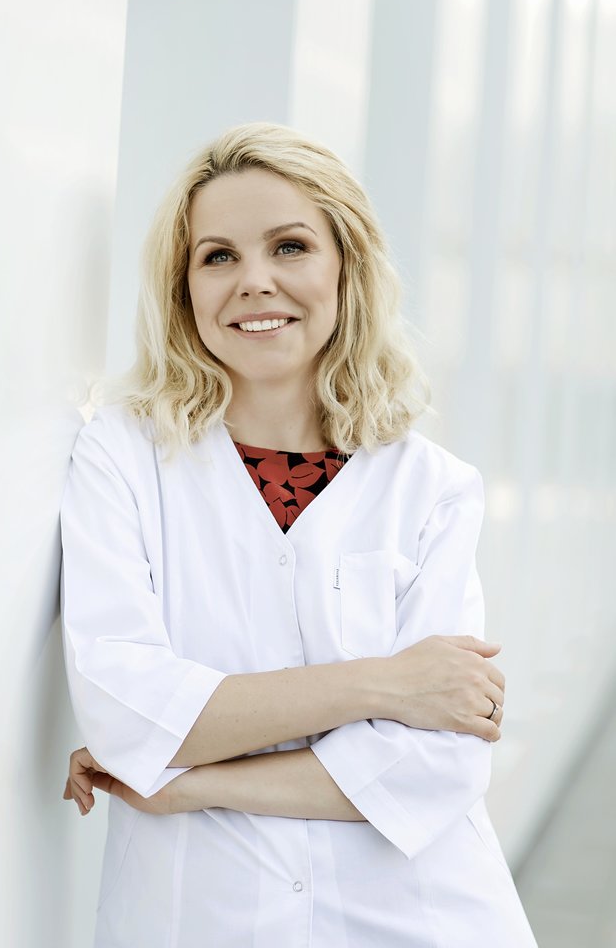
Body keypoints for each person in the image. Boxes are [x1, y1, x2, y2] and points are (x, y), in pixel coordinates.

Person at [60, 122, 538, 947]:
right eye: (218, 257)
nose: (255, 281)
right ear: (183, 290)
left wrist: (195, 781)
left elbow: (437, 764)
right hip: (203, 919)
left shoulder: (432, 488)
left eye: (290, 247)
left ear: (346, 267)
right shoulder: (122, 456)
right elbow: (127, 716)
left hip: (417, 919)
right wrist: (387, 685)